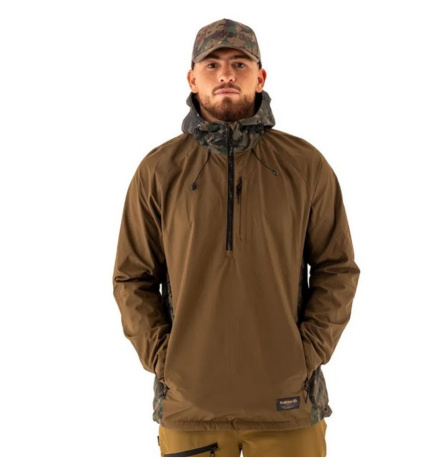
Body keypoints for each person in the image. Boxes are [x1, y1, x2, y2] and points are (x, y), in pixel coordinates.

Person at [112, 18, 360, 457]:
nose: (226, 73)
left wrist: (306, 353)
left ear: (260, 77)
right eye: (212, 64)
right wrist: (165, 361)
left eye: (239, 63)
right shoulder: (159, 170)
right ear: (192, 79)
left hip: (287, 408)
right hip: (190, 411)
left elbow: (336, 268)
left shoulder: (305, 165)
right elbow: (132, 278)